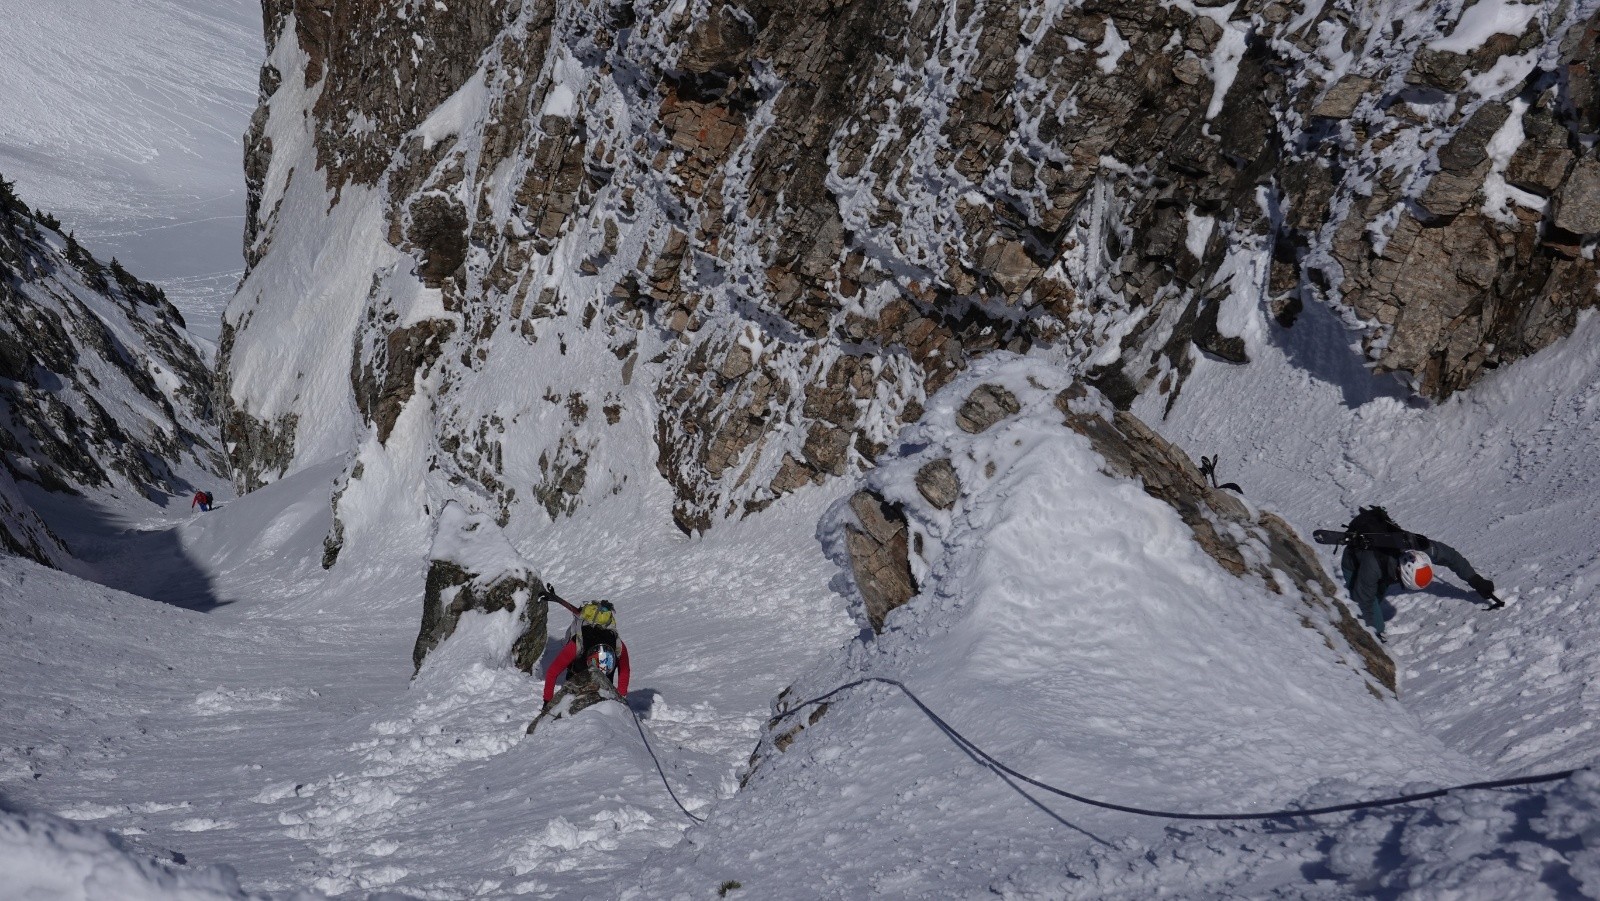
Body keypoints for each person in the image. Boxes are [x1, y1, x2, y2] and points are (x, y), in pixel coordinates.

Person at [1337, 506, 1499, 641]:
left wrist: (1476, 580)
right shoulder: (1373, 567)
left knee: (1376, 594)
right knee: (1370, 613)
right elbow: (1363, 599)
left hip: (1385, 568)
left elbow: (1451, 557)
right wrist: (1373, 637)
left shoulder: (1419, 548)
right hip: (1354, 563)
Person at [540, 588, 630, 714]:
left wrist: (547, 702)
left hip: (574, 690)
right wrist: (621, 698)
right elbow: (624, 671)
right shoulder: (617, 644)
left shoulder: (578, 644)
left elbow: (552, 672)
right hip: (605, 693)